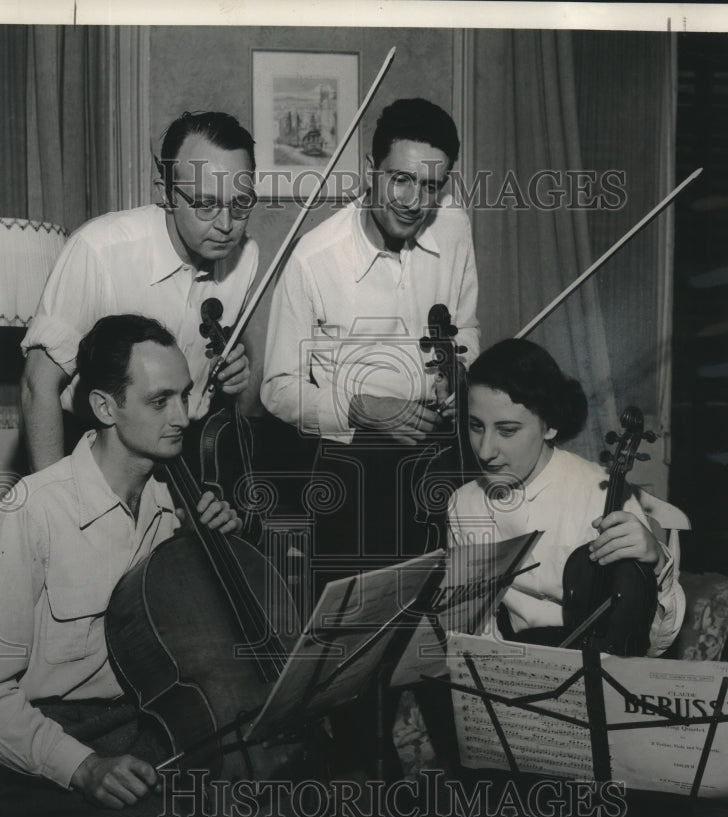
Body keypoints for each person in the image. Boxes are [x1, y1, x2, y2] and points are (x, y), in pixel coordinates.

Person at [0, 315, 242, 817]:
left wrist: (225, 547)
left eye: (185, 395)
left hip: (154, 726)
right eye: (160, 401)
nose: (182, 416)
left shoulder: (174, 505)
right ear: (105, 407)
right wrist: (84, 767)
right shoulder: (32, 510)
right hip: (58, 745)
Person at [261, 97, 480, 572]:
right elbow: (277, 389)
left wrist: (458, 371)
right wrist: (360, 405)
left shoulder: (455, 228)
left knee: (449, 607)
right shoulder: (313, 259)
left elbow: (465, 327)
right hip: (356, 472)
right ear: (370, 170)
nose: (415, 203)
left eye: (431, 186)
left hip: (443, 454)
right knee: (358, 622)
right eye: (400, 180)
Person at [21, 111, 257, 473]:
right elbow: (38, 385)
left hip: (183, 453)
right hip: (93, 446)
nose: (226, 225)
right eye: (206, 204)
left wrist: (230, 375)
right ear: (165, 193)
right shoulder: (99, 250)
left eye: (240, 204)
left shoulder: (246, 257)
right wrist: (54, 504)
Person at [447, 338, 684, 655]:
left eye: (507, 431)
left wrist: (657, 566)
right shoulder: (464, 504)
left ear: (550, 426)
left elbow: (655, 644)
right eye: (476, 426)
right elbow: (475, 626)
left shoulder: (602, 495)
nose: (485, 451)